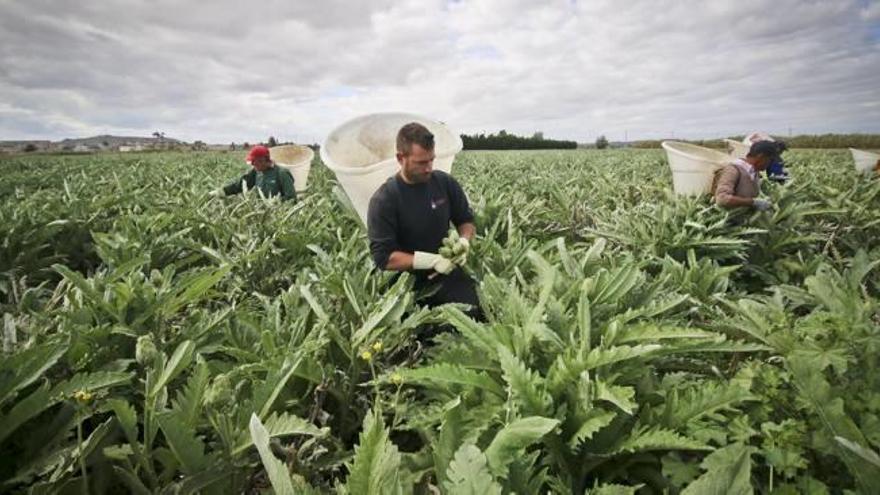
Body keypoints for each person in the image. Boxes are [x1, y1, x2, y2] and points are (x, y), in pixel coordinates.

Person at [367, 122, 481, 323]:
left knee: (476, 312)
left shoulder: (444, 183)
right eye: (421, 162)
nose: (429, 168)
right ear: (400, 158)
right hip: (405, 284)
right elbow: (384, 258)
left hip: (446, 273)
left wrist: (464, 242)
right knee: (423, 333)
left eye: (431, 160)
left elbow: (466, 220)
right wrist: (431, 261)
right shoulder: (385, 200)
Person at [212, 145, 296, 201]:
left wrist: (275, 202)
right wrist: (222, 191)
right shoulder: (256, 172)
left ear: (263, 160)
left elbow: (292, 198)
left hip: (278, 214)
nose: (252, 164)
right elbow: (241, 184)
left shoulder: (281, 173)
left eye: (253, 161)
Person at [713, 140, 780, 211]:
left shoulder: (754, 172)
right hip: (731, 220)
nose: (770, 164)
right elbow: (722, 199)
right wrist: (753, 202)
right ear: (760, 157)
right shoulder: (733, 170)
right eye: (770, 160)